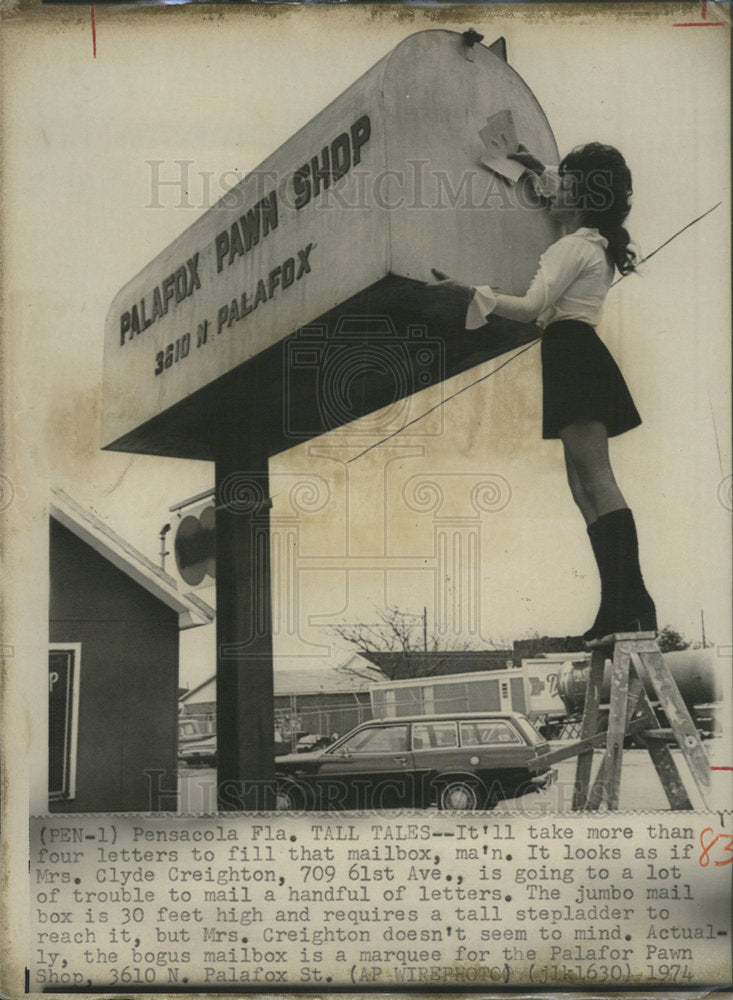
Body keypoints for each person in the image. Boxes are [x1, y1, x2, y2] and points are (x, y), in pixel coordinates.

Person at [427, 142, 657, 642]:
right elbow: (556, 187)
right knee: (583, 488)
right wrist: (533, 165)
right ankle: (617, 605)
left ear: (579, 198)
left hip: (573, 354)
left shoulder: (572, 247)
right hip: (570, 354)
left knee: (597, 481)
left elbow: (532, 306)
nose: (549, 195)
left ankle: (633, 603)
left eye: (562, 188)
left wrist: (468, 292)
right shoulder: (587, 240)